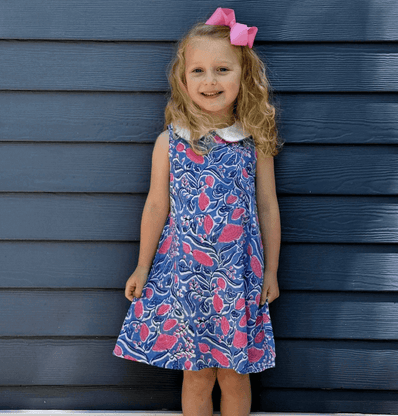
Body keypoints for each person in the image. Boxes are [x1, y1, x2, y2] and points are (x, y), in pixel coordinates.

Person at [113, 7, 283, 416]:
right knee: (197, 374)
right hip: (184, 278)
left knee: (234, 375)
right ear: (183, 79)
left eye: (222, 69)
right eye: (199, 71)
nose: (210, 81)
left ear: (244, 78)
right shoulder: (170, 142)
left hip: (236, 281)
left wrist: (272, 271)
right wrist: (141, 266)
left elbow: (267, 207)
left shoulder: (253, 143)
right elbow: (156, 205)